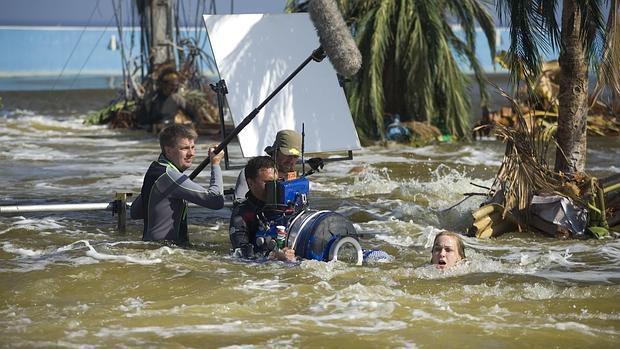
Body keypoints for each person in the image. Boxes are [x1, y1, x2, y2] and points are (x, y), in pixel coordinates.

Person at [130, 124, 225, 244]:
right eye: (184, 148)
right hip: (166, 251)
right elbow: (216, 201)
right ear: (168, 150)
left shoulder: (155, 171)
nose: (191, 153)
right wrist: (215, 164)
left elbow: (135, 212)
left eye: (192, 147)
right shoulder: (171, 176)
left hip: (153, 249)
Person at [229, 156, 296, 262]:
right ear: (251, 183)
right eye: (268, 183)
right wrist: (273, 256)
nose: (273, 188)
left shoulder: (288, 206)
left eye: (276, 182)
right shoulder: (242, 213)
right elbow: (241, 253)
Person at [233, 129, 302, 201]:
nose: (291, 160)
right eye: (288, 155)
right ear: (275, 152)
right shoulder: (253, 171)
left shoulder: (294, 176)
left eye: (295, 157)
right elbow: (239, 202)